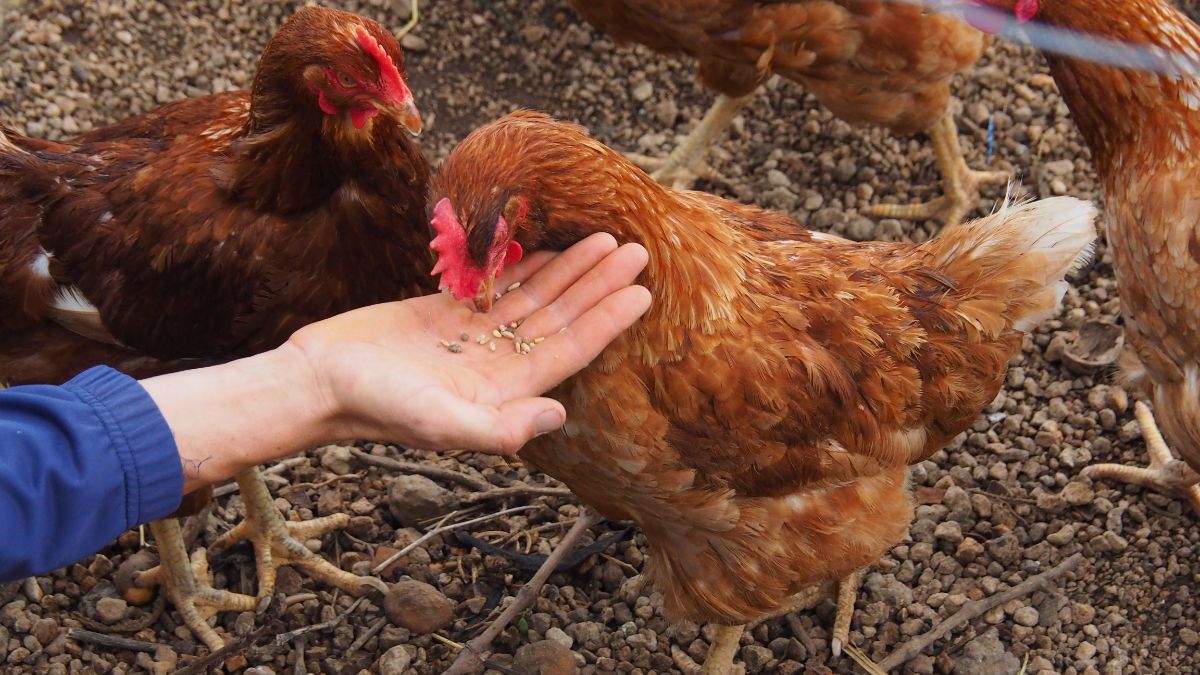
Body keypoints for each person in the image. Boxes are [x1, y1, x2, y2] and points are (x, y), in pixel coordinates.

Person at [0, 234, 651, 581]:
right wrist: (308, 382)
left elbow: (23, 476)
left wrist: (309, 381)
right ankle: (183, 575)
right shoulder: (220, 245)